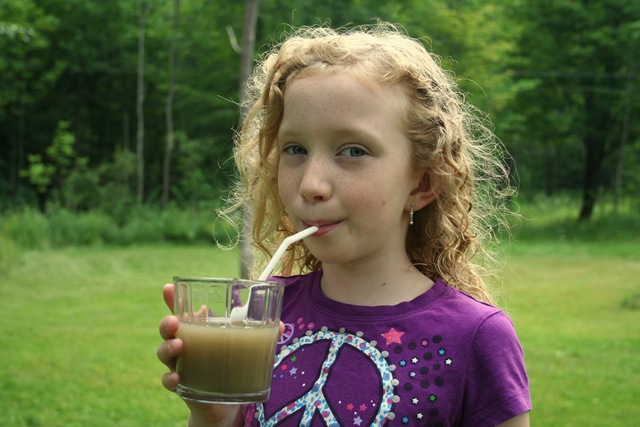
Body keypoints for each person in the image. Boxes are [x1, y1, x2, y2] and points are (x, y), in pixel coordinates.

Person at [157, 22, 531, 427]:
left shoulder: (476, 339)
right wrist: (215, 416)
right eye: (295, 149)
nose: (311, 184)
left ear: (423, 183)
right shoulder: (258, 315)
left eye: (353, 151)